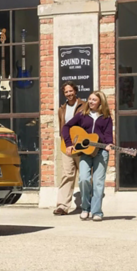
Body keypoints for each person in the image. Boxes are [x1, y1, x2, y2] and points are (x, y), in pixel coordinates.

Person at [61, 90, 114, 222]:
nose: (90, 102)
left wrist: (109, 144)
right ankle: (85, 208)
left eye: (94, 100)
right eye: (90, 99)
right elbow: (66, 127)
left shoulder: (106, 118)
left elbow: (108, 135)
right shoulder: (82, 115)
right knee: (83, 179)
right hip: (85, 152)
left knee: (98, 183)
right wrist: (68, 144)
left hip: (101, 152)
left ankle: (97, 212)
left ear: (100, 102)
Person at [54, 81, 85, 215]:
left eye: (70, 91)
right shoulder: (62, 109)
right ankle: (62, 205)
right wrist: (66, 143)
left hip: (81, 146)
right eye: (66, 92)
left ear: (75, 91)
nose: (69, 94)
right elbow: (63, 128)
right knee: (67, 175)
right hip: (67, 146)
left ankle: (86, 204)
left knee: (85, 176)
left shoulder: (85, 106)